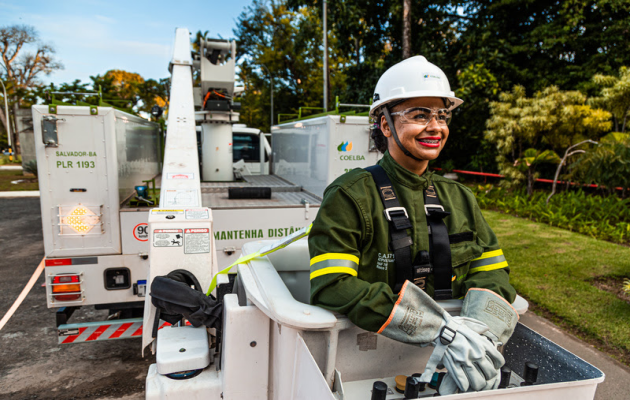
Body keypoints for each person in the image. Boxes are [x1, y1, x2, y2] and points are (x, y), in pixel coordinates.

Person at [308, 56, 519, 395]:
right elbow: (332, 285)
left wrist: (478, 336)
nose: (436, 127)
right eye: (420, 115)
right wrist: (437, 329)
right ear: (386, 125)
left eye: (442, 115)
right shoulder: (350, 196)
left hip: (458, 362)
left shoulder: (460, 199)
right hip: (366, 367)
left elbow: (494, 272)